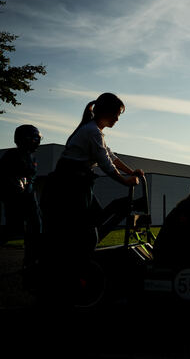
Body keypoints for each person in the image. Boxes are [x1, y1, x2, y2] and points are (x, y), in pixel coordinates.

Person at [39, 93, 143, 302]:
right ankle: (75, 274)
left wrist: (131, 172)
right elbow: (106, 164)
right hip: (69, 187)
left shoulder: (96, 132)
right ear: (105, 112)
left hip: (79, 184)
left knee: (94, 223)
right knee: (86, 233)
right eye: (116, 114)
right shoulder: (91, 131)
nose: (117, 119)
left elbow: (111, 156)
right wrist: (125, 181)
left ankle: (77, 268)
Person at [0, 125, 42, 271]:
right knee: (13, 228)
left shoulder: (32, 157)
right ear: (24, 139)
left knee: (36, 227)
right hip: (14, 197)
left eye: (38, 138)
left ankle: (31, 261)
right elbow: (4, 176)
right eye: (34, 138)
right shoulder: (11, 156)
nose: (37, 141)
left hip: (29, 197)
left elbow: (32, 176)